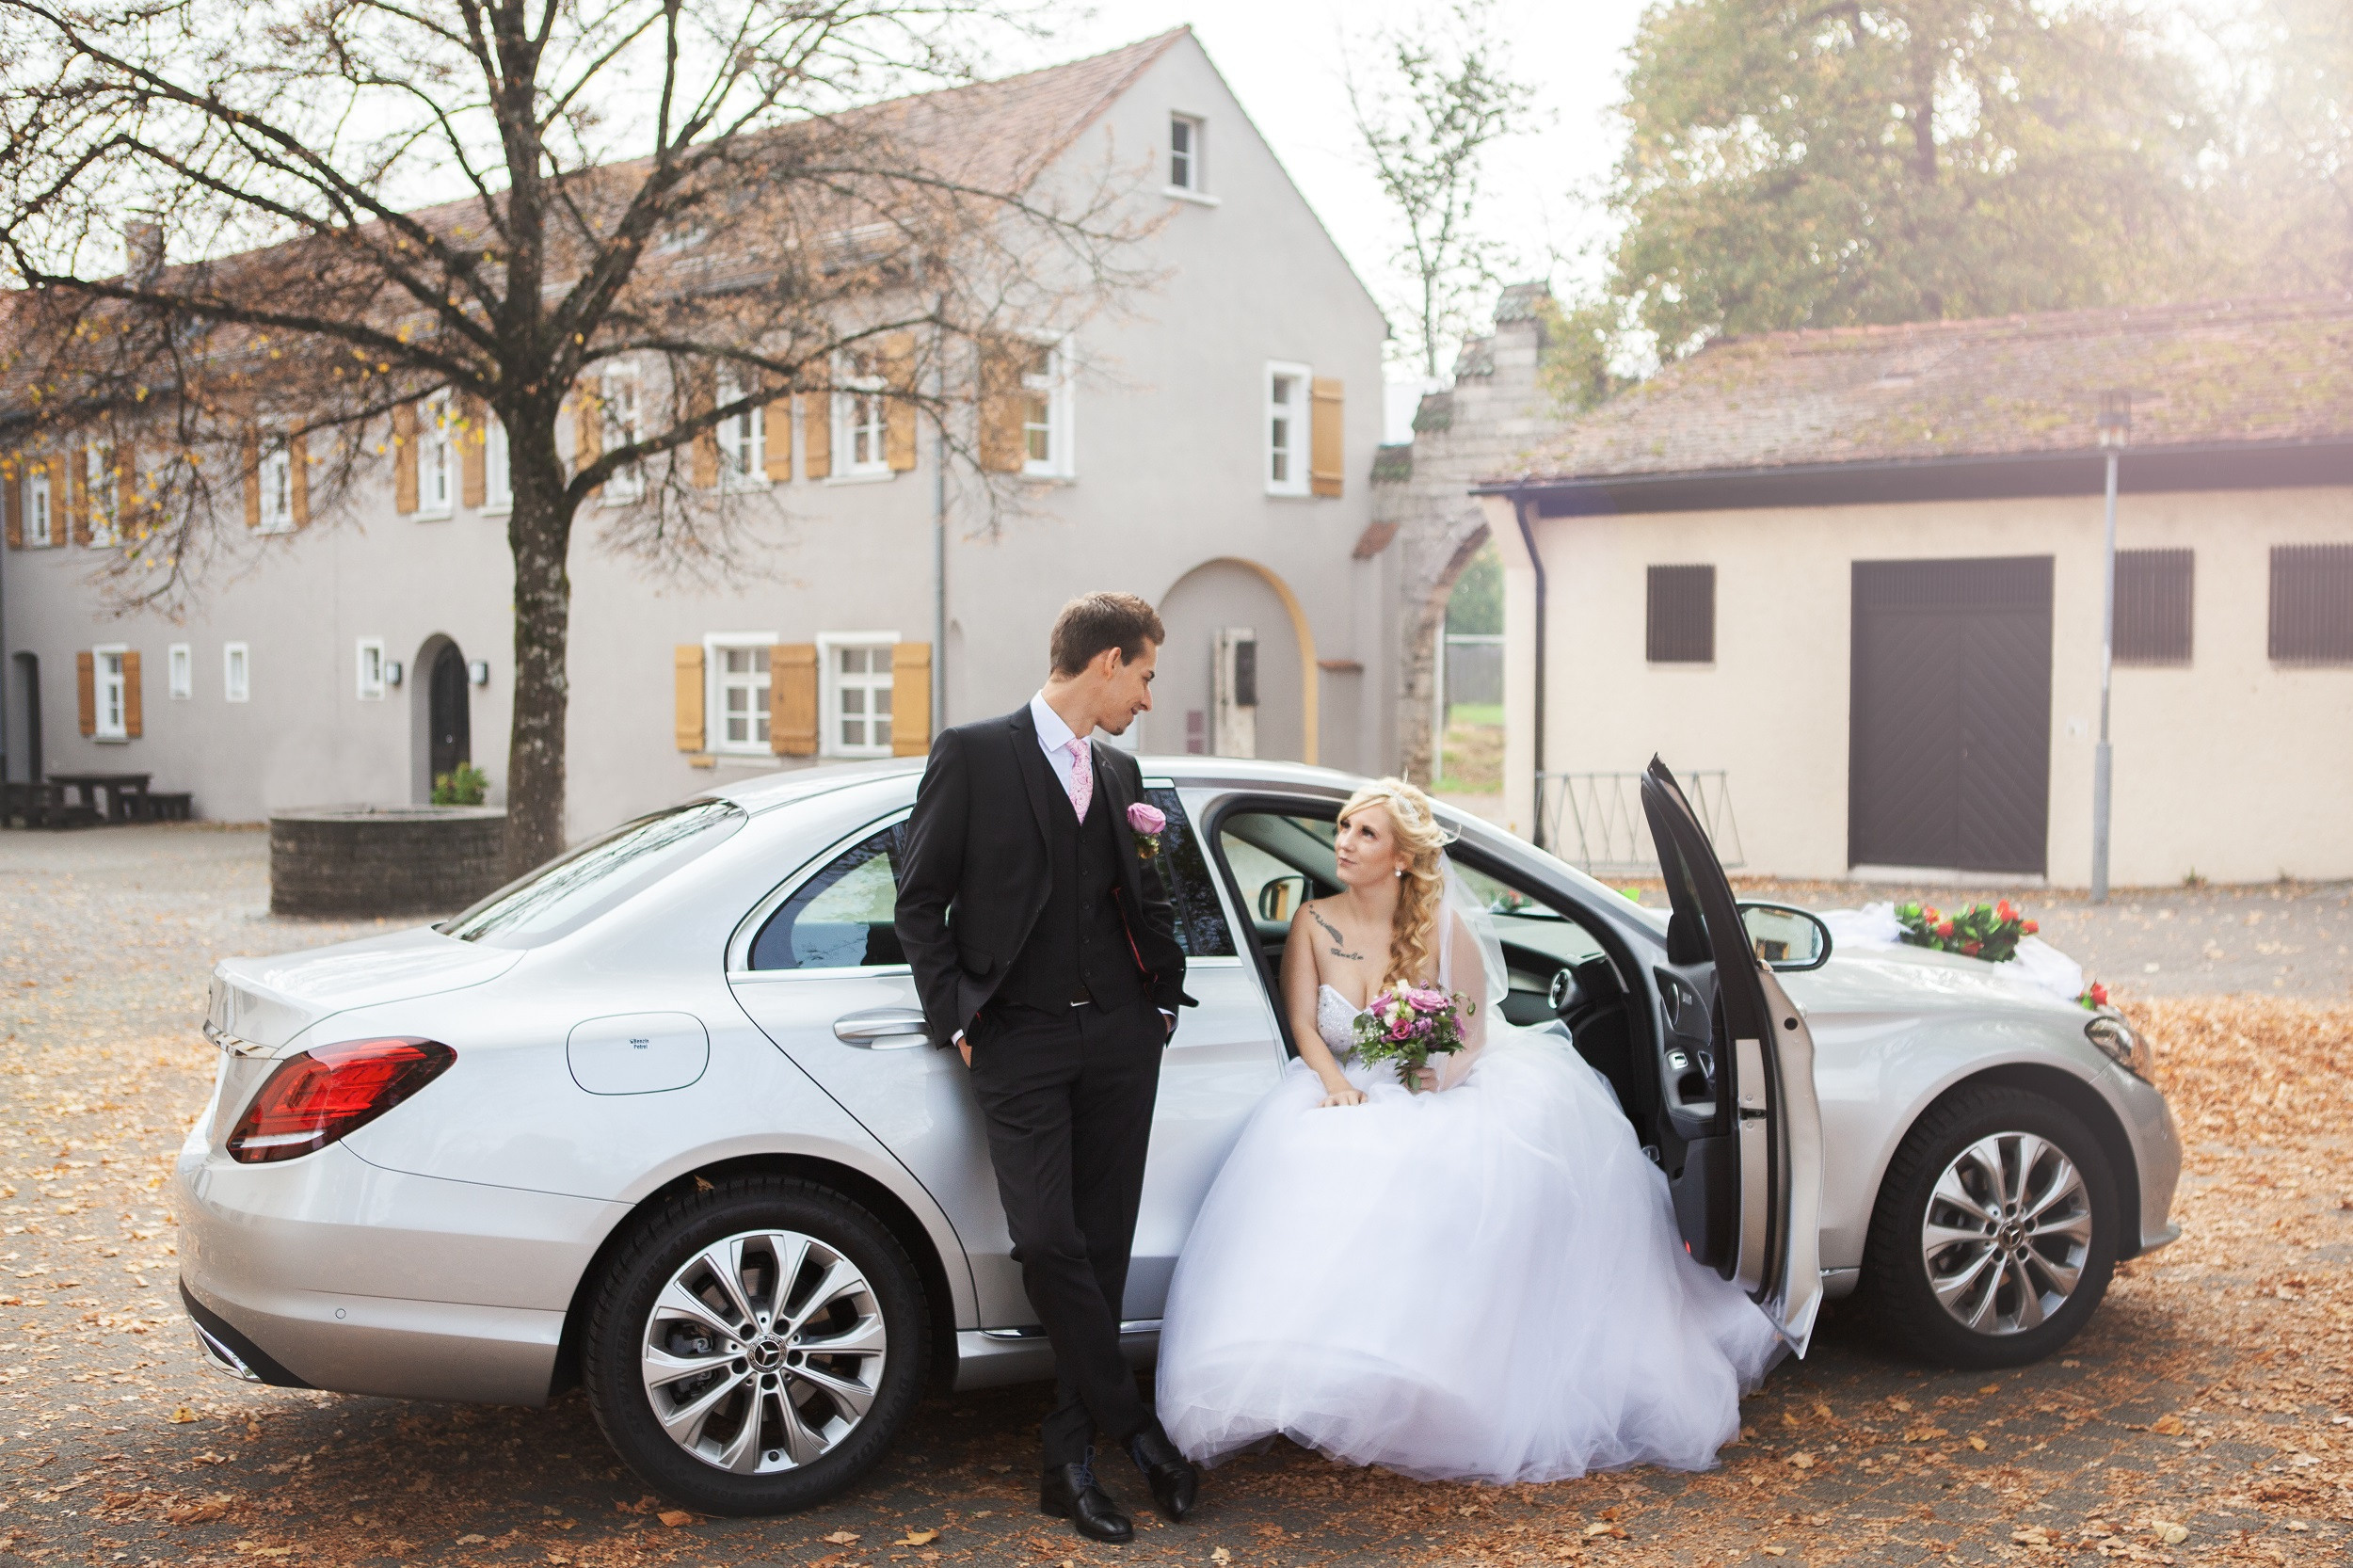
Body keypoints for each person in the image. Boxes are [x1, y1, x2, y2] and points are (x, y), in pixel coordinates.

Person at [1154, 777, 1785, 1484]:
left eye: (1364, 833)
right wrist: (1337, 1087)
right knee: (1312, 1160)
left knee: (1458, 1169)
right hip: (1344, 1081)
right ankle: (1341, 1380)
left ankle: (1436, 1383)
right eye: (1341, 828)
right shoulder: (1310, 920)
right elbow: (1306, 1023)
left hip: (1434, 1080)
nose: (1343, 843)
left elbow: (1470, 1034)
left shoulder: (1443, 929)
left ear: (1399, 857)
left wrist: (1435, 1081)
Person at [894, 592, 1200, 1544]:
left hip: (1117, 1035)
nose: (1148, 696)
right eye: (1145, 674)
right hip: (1016, 1036)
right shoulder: (975, 753)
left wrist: (1157, 1000)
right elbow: (920, 900)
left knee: (1103, 1246)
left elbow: (1142, 893)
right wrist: (959, 1016)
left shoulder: (1119, 770)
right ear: (1107, 661)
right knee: (1048, 1240)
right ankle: (1136, 1429)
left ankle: (1067, 1461)